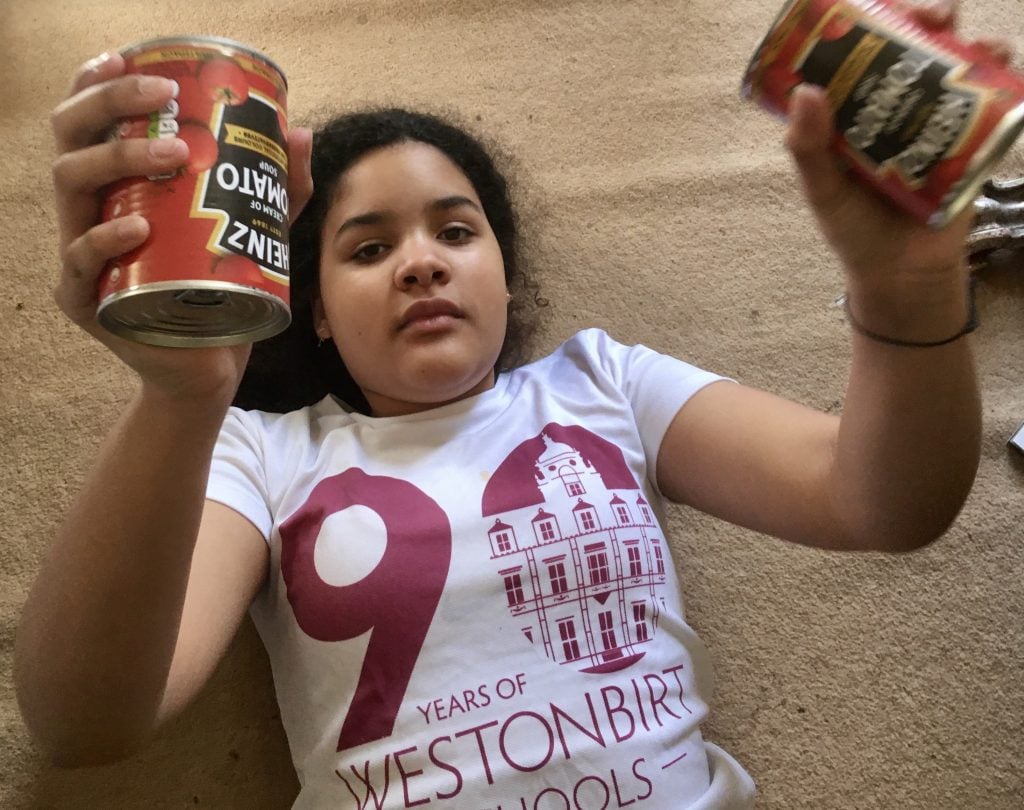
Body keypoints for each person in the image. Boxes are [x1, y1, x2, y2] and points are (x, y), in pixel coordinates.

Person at [16, 3, 1005, 808]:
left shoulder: (603, 382)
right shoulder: (259, 451)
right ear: (309, 314)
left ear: (502, 274)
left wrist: (906, 295)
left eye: (456, 231)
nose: (420, 263)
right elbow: (82, 725)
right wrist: (178, 395)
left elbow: (881, 503)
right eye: (367, 249)